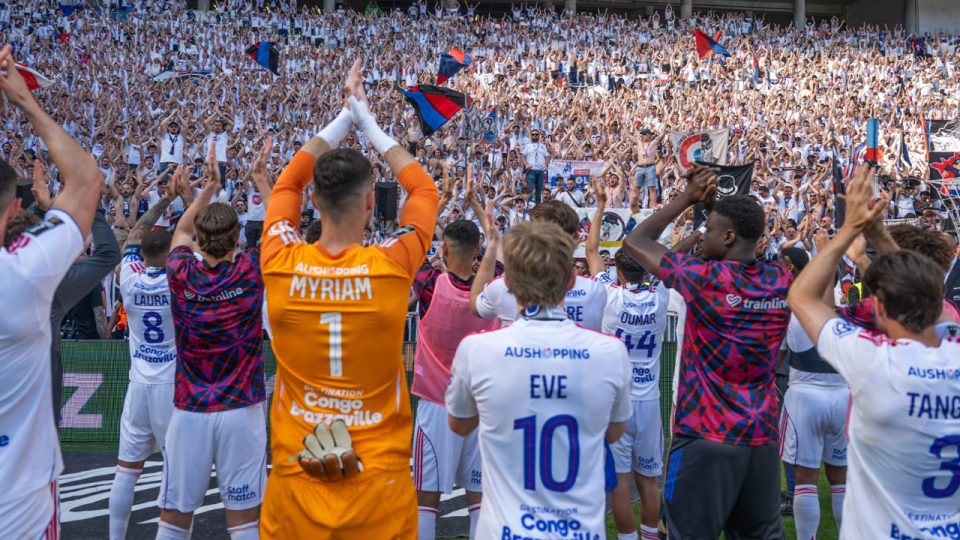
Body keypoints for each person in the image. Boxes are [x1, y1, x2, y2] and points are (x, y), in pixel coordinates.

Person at [258, 59, 438, 539]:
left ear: (314, 202)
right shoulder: (392, 266)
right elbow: (422, 188)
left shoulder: (280, 259)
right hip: (379, 487)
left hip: (296, 481)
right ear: (367, 203)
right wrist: (367, 121)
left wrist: (343, 118)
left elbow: (286, 183)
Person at [787, 164, 960, 539]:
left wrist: (850, 230)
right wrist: (879, 240)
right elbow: (930, 302)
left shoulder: (873, 359)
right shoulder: (954, 339)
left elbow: (803, 297)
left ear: (879, 307)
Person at [623, 163, 792, 539]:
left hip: (705, 434)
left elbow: (635, 242)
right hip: (761, 436)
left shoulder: (704, 278)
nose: (703, 239)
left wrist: (687, 198)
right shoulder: (781, 279)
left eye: (710, 231)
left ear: (729, 236)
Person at [445, 220, 631, 540]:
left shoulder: (477, 349)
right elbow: (614, 432)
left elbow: (460, 424)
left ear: (510, 283)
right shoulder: (611, 353)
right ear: (572, 280)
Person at [0, 43, 105, 539]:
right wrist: (27, 103)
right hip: (20, 507)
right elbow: (86, 178)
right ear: (8, 213)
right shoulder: (25, 272)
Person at [156, 142, 266, 540]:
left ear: (200, 242)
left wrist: (209, 187)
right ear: (239, 236)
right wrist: (260, 180)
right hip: (242, 409)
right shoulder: (253, 271)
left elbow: (182, 229)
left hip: (190, 411)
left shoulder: (181, 272)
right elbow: (280, 230)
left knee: (174, 519)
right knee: (245, 521)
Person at [108, 166, 189, 540]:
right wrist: (188, 198)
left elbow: (135, 234)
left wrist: (163, 200)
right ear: (171, 252)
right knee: (174, 468)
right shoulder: (180, 279)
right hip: (172, 386)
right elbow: (205, 244)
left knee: (127, 468)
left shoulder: (129, 275)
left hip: (138, 382)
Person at [587, 185, 668, 540]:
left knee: (619, 482)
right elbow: (670, 257)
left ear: (617, 272)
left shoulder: (608, 294)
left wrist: (603, 206)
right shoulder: (662, 295)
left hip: (616, 401)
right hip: (650, 401)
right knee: (649, 480)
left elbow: (591, 251)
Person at [410, 217, 498, 540]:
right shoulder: (493, 289)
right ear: (478, 251)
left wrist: (442, 205)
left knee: (426, 500)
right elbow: (496, 260)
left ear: (444, 249)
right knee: (479, 499)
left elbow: (410, 249)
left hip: (437, 406)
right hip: (480, 406)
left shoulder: (430, 283)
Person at [776, 246, 847, 540]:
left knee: (805, 481)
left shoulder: (788, 309)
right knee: (840, 482)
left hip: (804, 397)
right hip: (842, 397)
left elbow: (774, 360)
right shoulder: (845, 312)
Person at [471, 200, 606, 329]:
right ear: (577, 238)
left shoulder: (501, 287)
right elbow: (592, 252)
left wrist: (492, 243)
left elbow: (475, 303)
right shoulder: (596, 289)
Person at [519, 129, 550, 205]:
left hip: (540, 170)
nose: (535, 136)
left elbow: (547, 156)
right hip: (531, 169)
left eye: (536, 134)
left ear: (539, 135)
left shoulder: (543, 146)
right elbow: (522, 155)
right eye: (533, 134)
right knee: (529, 188)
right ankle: (528, 205)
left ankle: (538, 205)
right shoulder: (527, 145)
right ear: (531, 135)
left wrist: (546, 165)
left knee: (539, 189)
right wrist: (526, 164)